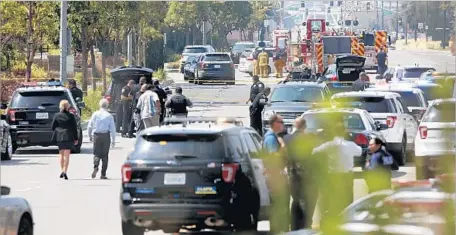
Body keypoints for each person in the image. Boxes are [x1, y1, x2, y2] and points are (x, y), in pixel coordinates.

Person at [87, 99, 116, 179]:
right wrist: (113, 141)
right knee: (105, 155)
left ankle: (95, 166)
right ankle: (103, 174)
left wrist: (89, 135)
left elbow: (90, 126)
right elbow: (113, 129)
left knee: (96, 153)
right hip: (106, 135)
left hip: (96, 135)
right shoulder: (109, 115)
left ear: (100, 105)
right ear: (107, 106)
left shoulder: (95, 114)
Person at [51, 100, 79, 180]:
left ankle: (62, 170)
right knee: (67, 155)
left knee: (61, 154)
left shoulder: (56, 115)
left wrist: (58, 128)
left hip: (59, 137)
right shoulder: (71, 116)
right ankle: (65, 171)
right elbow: (74, 128)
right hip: (69, 136)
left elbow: (52, 127)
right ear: (68, 107)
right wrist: (76, 138)